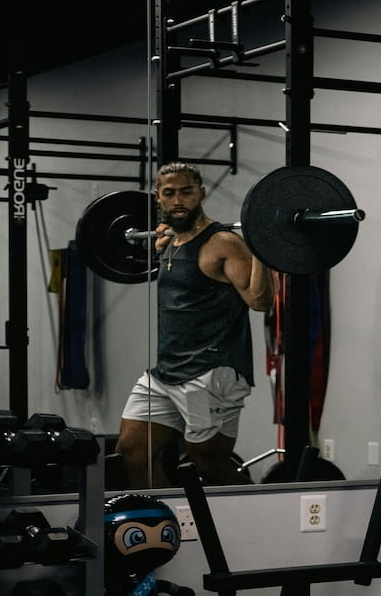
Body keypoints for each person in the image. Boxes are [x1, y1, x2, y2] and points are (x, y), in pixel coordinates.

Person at [114, 162, 274, 488]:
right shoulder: (169, 240)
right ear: (157, 197)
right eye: (169, 193)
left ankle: (265, 510)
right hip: (166, 372)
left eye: (186, 192)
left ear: (200, 193)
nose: (178, 201)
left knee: (207, 461)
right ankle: (169, 517)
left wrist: (263, 247)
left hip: (209, 372)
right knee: (132, 451)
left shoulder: (223, 243)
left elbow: (260, 301)